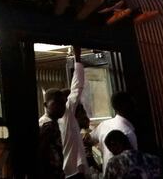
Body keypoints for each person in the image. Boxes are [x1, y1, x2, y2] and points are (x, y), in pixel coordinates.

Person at [59, 47, 88, 179]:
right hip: (72, 173)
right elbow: (77, 87)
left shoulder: (45, 121)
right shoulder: (66, 112)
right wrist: (77, 57)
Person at [91, 92, 138, 173]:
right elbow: (134, 164)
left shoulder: (104, 125)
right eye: (132, 103)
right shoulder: (128, 132)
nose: (135, 106)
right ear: (124, 105)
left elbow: (87, 140)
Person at [38, 87, 68, 179]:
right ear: (46, 105)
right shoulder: (46, 124)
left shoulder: (55, 123)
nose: (62, 107)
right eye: (57, 103)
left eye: (63, 103)